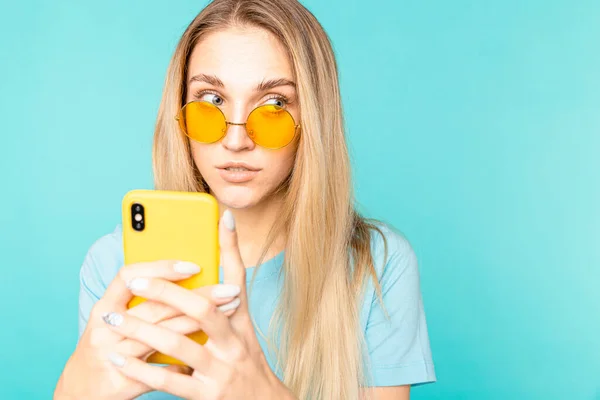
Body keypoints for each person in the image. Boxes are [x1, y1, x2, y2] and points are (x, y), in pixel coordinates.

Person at [54, 0, 436, 398]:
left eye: (274, 105)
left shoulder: (376, 264)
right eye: (211, 101)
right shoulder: (114, 266)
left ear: (314, 120)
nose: (236, 141)